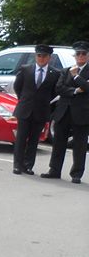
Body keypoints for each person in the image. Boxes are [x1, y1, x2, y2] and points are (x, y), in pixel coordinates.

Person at [41, 40, 89, 184]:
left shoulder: (78, 72)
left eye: (83, 54)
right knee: (58, 143)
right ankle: (54, 170)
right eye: (78, 54)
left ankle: (76, 174)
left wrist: (76, 77)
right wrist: (75, 90)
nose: (80, 56)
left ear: (88, 55)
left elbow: (87, 88)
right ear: (74, 56)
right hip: (63, 111)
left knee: (79, 145)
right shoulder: (66, 70)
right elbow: (59, 88)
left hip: (82, 113)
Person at [11, 44, 60, 175]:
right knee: (21, 139)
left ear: (49, 58)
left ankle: (28, 165)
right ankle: (17, 165)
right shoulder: (26, 69)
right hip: (25, 109)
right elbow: (18, 87)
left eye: (44, 56)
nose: (41, 58)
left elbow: (55, 92)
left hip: (41, 111)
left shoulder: (55, 73)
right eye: (39, 55)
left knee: (34, 140)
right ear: (35, 56)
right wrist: (24, 99)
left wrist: (44, 101)